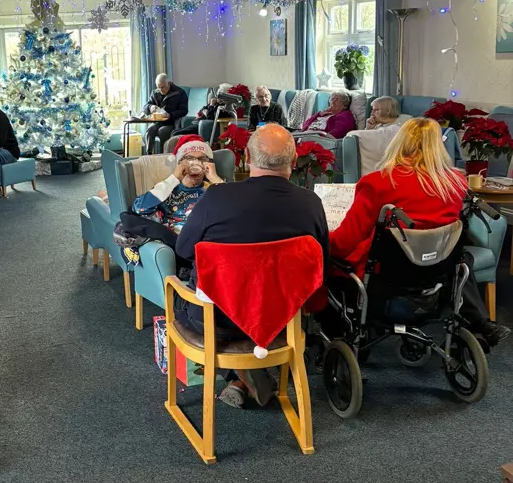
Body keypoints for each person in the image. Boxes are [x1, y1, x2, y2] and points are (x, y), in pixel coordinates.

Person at [174, 124, 329, 407]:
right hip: (283, 317)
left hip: (218, 322)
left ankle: (239, 375)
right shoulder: (311, 202)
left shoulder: (217, 196)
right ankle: (248, 374)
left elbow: (183, 250)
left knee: (178, 292)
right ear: (294, 161)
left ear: (246, 157)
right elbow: (321, 265)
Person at [329, 118, 510, 346]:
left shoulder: (378, 183)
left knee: (330, 261)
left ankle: (336, 334)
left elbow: (346, 241)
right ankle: (478, 322)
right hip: (439, 268)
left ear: (400, 142)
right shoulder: (456, 182)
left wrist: (321, 239)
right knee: (462, 257)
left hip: (387, 272)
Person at [132, 135, 224, 235]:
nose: (196, 163)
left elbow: (235, 212)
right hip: (176, 240)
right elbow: (139, 208)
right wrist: (174, 178)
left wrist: (216, 179)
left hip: (210, 239)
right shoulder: (166, 189)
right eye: (189, 158)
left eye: (202, 159)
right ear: (179, 163)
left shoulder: (215, 189)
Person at [142, 74, 189, 154]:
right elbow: (145, 107)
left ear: (169, 83)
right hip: (159, 122)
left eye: (163, 87)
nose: (161, 90)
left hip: (173, 123)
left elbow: (184, 110)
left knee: (162, 131)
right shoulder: (155, 92)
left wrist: (170, 115)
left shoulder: (180, 93)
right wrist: (150, 107)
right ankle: (149, 154)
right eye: (158, 87)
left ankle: (163, 155)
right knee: (150, 130)